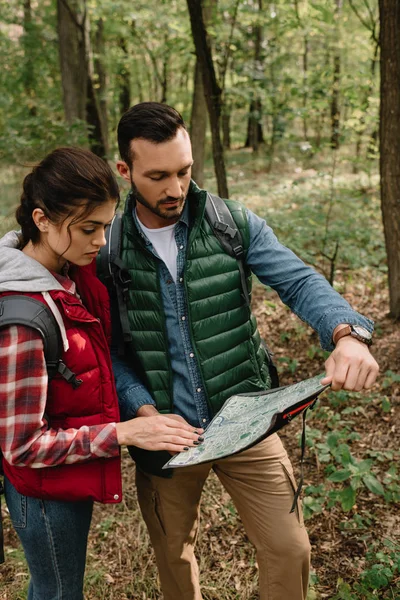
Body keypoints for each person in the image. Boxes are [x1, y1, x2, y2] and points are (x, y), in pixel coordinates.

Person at [111, 102, 379, 600]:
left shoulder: (229, 222)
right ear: (124, 170)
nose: (176, 189)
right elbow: (109, 351)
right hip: (166, 433)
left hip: (246, 416)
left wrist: (346, 333)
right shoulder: (106, 246)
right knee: (174, 554)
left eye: (185, 170)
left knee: (290, 548)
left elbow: (298, 280)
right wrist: (140, 408)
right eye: (158, 176)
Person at [0, 147, 203, 600]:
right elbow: (21, 446)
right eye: (88, 228)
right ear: (42, 219)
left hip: (65, 481)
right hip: (43, 493)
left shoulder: (65, 273)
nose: (99, 240)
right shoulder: (23, 320)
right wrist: (126, 432)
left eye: (106, 226)